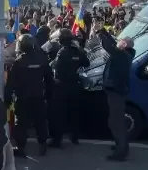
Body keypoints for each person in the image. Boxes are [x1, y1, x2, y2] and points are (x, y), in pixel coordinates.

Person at [5, 34, 52, 157]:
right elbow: (49, 79)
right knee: (40, 120)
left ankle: (21, 148)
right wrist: (48, 94)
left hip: (22, 97)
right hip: (38, 96)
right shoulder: (42, 60)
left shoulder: (18, 62)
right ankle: (42, 144)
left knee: (20, 123)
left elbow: (11, 83)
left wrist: (7, 99)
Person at [95, 27, 135, 161]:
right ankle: (120, 145)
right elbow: (113, 44)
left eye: (120, 41)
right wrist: (105, 33)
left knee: (116, 122)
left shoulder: (121, 54)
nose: (117, 42)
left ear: (124, 44)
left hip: (116, 91)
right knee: (115, 121)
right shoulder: (124, 54)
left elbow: (109, 46)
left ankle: (121, 151)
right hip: (116, 90)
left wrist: (100, 34)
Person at [48, 29, 89, 147]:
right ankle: (75, 137)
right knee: (74, 113)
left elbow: (56, 67)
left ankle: (57, 140)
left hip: (62, 86)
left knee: (59, 114)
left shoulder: (62, 52)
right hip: (75, 86)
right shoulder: (78, 51)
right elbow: (86, 63)